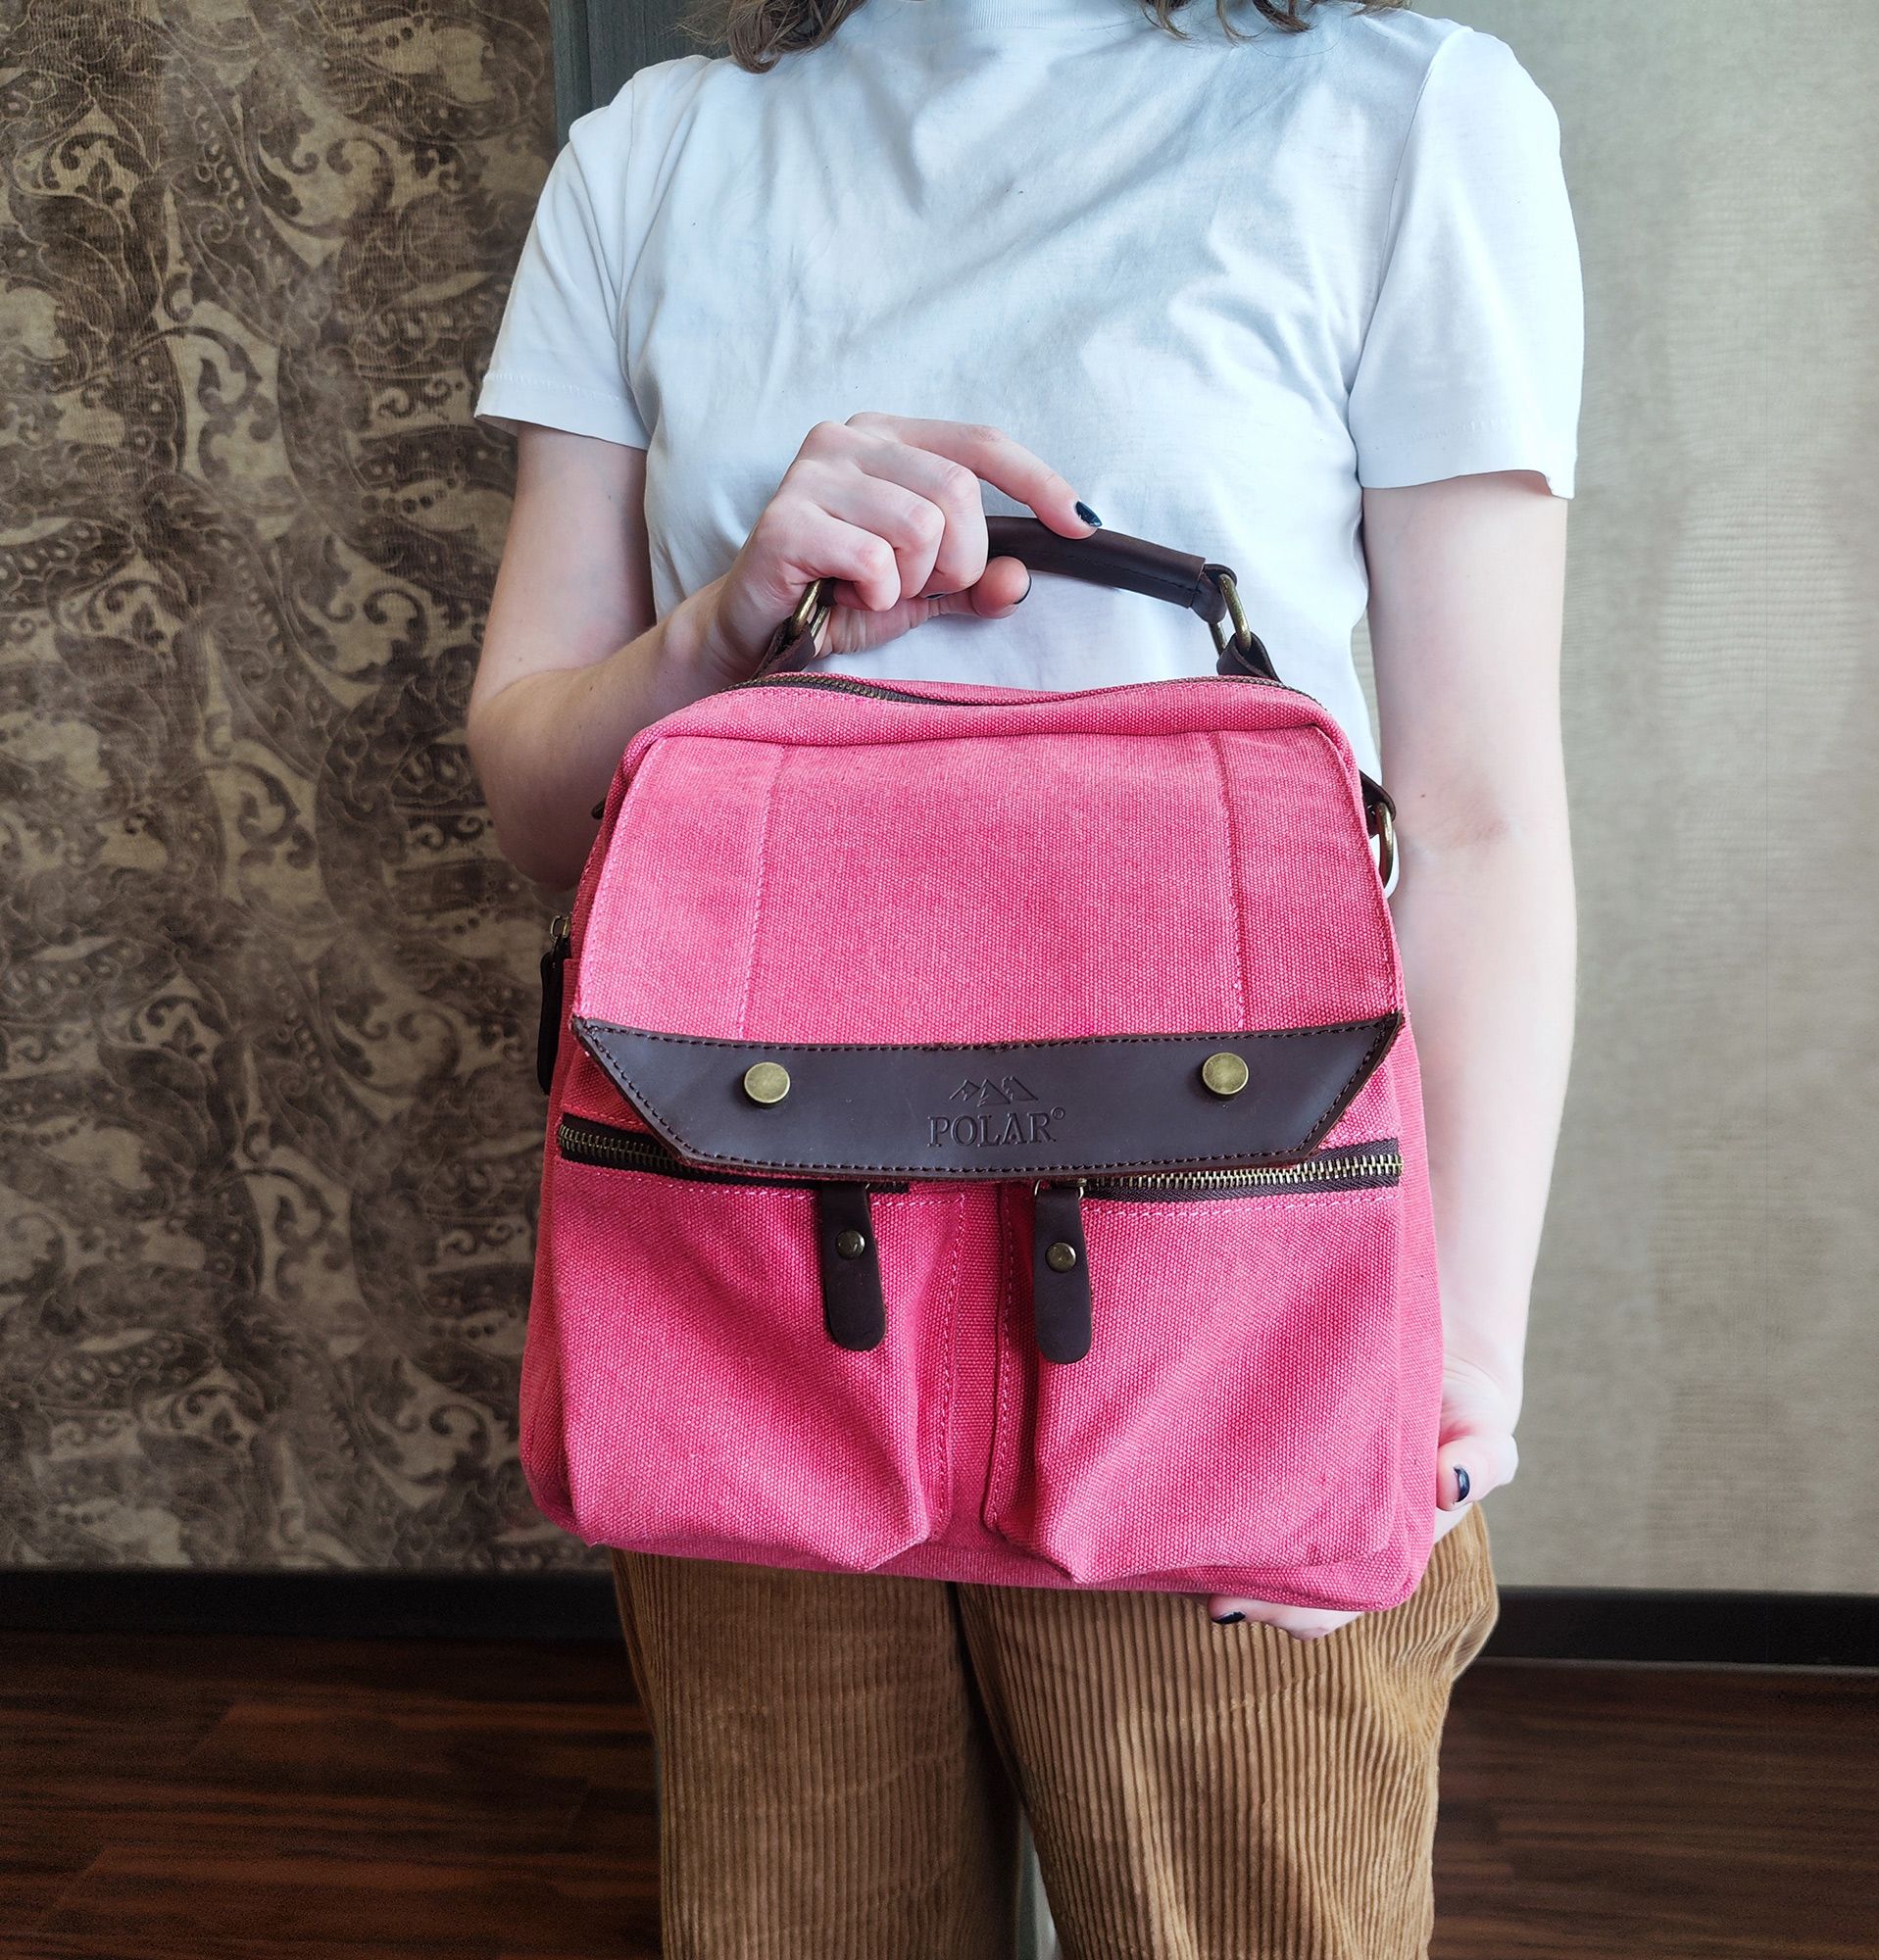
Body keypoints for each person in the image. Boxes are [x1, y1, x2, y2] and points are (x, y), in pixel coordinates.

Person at [466, 0, 1580, 1950]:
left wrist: (1450, 1377)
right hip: (743, 1283)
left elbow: (1477, 815)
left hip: (1232, 1302)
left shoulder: (1402, 115)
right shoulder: (650, 160)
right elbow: (540, 804)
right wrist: (724, 627)